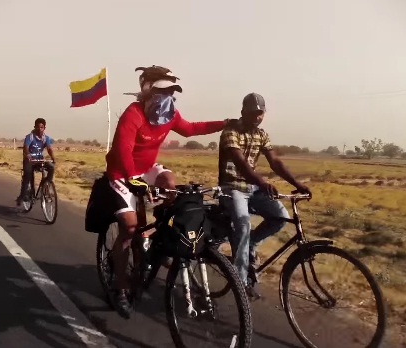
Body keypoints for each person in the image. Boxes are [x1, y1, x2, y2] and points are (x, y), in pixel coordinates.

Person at [90, 66, 236, 318]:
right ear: (147, 91)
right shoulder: (133, 114)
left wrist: (224, 123)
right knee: (129, 226)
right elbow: (123, 149)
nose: (167, 96)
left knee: (170, 183)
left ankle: (158, 237)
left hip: (146, 168)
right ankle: (120, 287)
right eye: (162, 91)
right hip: (122, 172)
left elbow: (191, 129)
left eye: (171, 91)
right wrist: (131, 180)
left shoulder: (169, 114)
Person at [218, 92, 312, 299]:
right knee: (243, 224)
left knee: (280, 217)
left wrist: (297, 184)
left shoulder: (262, 134)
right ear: (243, 111)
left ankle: (249, 244)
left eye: (261, 113)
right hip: (231, 188)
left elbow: (275, 162)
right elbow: (240, 163)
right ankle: (241, 282)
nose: (258, 117)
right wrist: (262, 182)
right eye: (254, 112)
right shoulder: (230, 132)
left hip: (253, 189)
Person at [17, 118, 56, 204]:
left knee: (51, 167)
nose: (40, 129)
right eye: (38, 127)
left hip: (39, 160)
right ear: (35, 127)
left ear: (44, 128)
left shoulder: (46, 138)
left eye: (42, 127)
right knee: (28, 177)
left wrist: (53, 157)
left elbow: (49, 148)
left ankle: (46, 186)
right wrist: (28, 155)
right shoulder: (30, 137)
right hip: (29, 161)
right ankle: (23, 195)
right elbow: (26, 148)